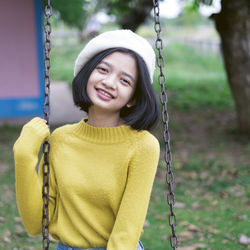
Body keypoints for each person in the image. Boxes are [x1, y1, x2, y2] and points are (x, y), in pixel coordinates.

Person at [13, 29, 160, 250]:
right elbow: (36, 224)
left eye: (125, 80)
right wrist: (24, 156)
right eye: (103, 69)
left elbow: (126, 231)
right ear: (87, 73)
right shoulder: (61, 139)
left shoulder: (143, 146)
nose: (110, 82)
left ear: (133, 99)